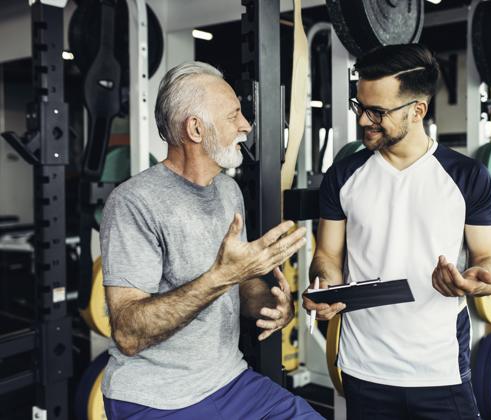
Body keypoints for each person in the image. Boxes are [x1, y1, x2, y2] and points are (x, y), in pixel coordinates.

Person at [99, 61, 323, 420]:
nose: (246, 126)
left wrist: (272, 305)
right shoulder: (133, 203)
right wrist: (221, 277)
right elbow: (128, 332)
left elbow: (240, 280)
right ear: (196, 129)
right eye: (234, 114)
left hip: (230, 381)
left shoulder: (227, 190)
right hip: (156, 398)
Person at [302, 43, 491, 420]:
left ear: (418, 110)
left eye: (377, 111)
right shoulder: (344, 175)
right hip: (364, 366)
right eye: (359, 106)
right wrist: (323, 284)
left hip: (439, 366)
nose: (363, 120)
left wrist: (481, 280)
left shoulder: (467, 177)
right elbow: (328, 256)